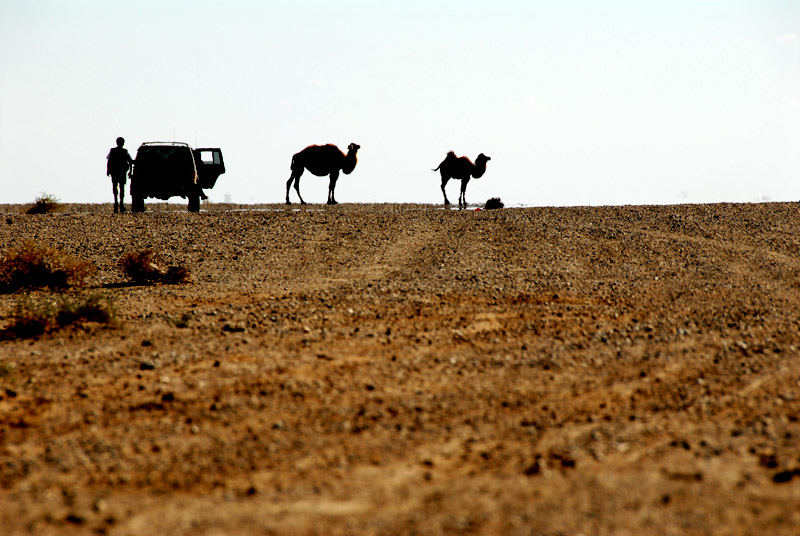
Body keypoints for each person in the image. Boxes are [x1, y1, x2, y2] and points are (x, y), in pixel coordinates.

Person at [106, 137, 133, 213]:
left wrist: (108, 170)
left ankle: (116, 202)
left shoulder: (113, 151)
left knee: (115, 187)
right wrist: (130, 171)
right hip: (121, 172)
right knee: (121, 188)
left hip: (115, 172)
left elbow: (109, 161)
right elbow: (130, 161)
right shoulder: (125, 152)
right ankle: (121, 203)